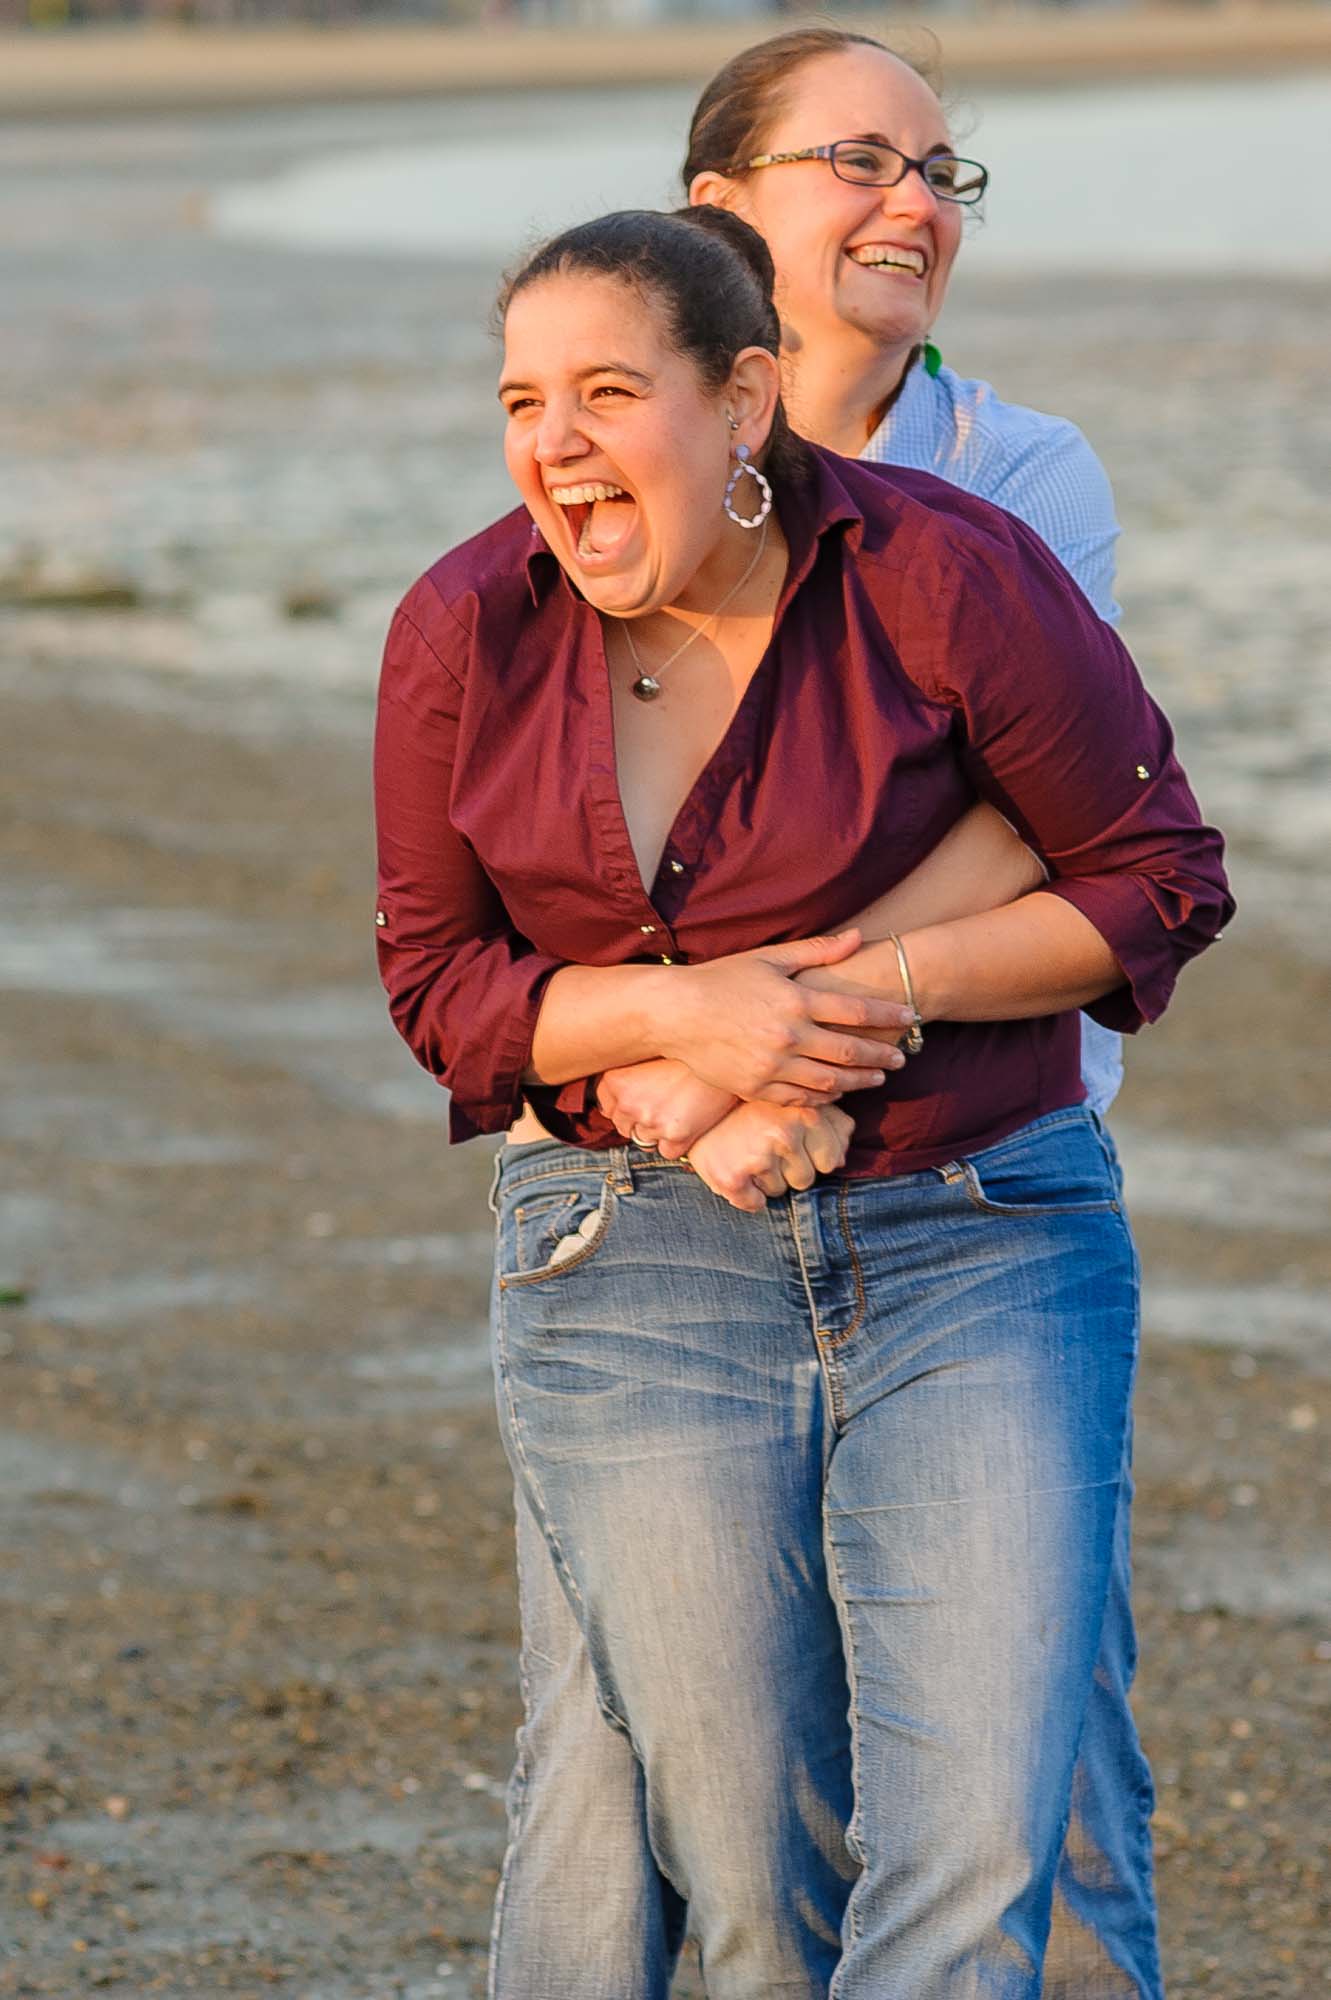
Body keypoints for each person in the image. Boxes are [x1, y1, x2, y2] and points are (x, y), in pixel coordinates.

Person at [374, 203, 1232, 1995]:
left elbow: (1155, 871)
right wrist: (691, 1032)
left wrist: (848, 1003)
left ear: (746, 400)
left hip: (983, 1232)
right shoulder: (464, 627)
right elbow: (442, 991)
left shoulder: (949, 574)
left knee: (978, 1857)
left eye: (612, 392)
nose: (556, 443)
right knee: (754, 1881)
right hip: (631, 1259)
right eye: (524, 401)